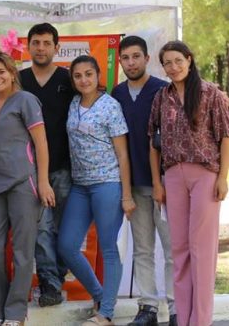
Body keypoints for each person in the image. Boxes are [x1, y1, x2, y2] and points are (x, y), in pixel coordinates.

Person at [148, 40, 229, 326]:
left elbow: (225, 135)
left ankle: (201, 321)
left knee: (202, 250)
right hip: (172, 175)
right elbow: (153, 143)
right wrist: (158, 184)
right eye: (167, 63)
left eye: (178, 61)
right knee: (179, 249)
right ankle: (184, 319)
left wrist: (223, 177)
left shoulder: (211, 93)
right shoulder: (161, 97)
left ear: (189, 60)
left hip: (205, 174)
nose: (173, 67)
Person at [0, 49, 54, 326]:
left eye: (1, 72)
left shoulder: (26, 100)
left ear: (12, 74)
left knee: (22, 250)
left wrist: (44, 182)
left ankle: (15, 312)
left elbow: (42, 143)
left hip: (25, 183)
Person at [58, 55, 135, 326]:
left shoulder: (110, 106)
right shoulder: (73, 104)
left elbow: (123, 154)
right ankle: (100, 295)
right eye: (78, 76)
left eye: (88, 74)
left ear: (98, 74)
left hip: (108, 184)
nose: (83, 80)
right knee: (66, 245)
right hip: (81, 185)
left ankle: (106, 314)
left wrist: (126, 195)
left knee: (108, 248)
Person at [111, 36, 175, 326]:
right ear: (120, 61)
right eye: (126, 58)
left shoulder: (164, 90)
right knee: (143, 248)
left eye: (136, 56)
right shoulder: (117, 93)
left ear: (147, 58)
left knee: (172, 248)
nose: (131, 62)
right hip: (134, 182)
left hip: (165, 183)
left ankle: (176, 307)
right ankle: (147, 306)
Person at [19, 22, 74, 307]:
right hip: (30, 170)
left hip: (64, 167)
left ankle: (59, 276)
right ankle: (49, 284)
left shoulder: (70, 80)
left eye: (46, 43)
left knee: (63, 230)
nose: (40, 48)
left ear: (56, 47)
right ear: (28, 47)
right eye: (35, 43)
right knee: (41, 229)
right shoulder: (18, 80)